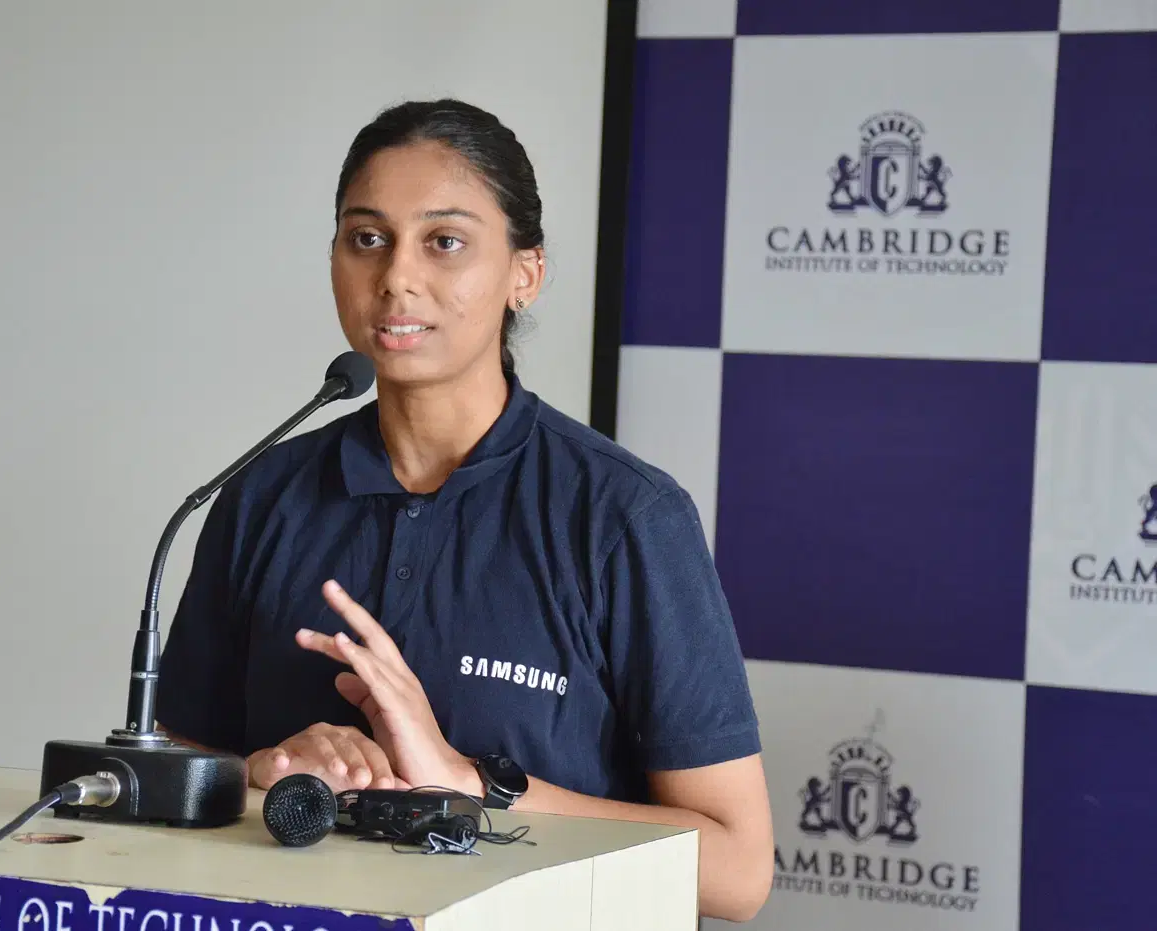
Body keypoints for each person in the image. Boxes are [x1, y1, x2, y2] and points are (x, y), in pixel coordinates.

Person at [156, 98, 773, 922]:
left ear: (527, 273)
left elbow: (737, 872)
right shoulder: (262, 494)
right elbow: (173, 786)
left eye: (444, 241)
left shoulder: (626, 516)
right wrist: (268, 771)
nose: (396, 276)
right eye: (366, 238)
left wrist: (468, 783)